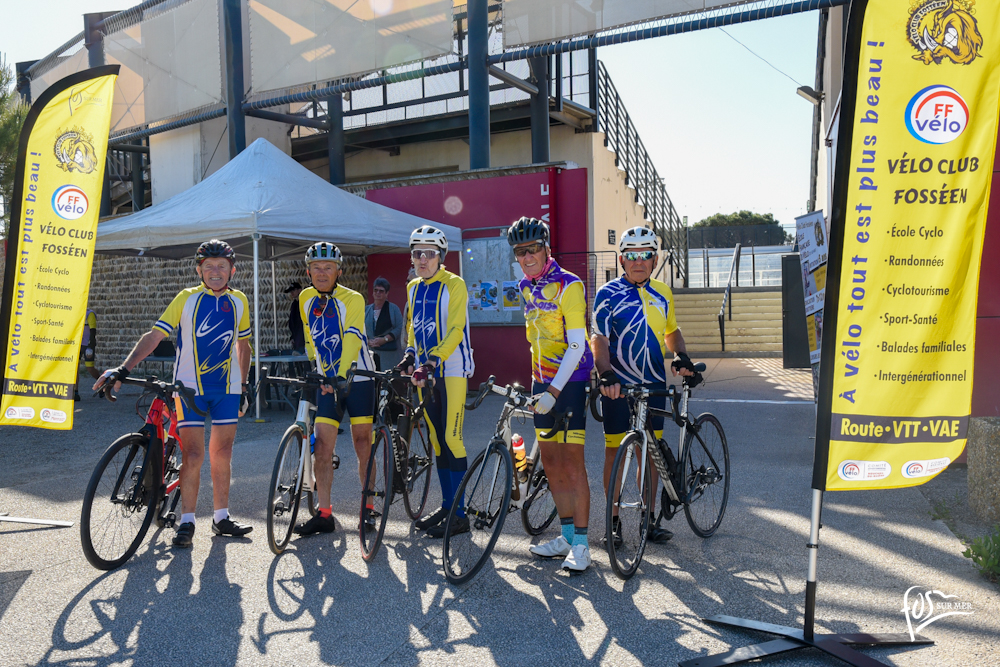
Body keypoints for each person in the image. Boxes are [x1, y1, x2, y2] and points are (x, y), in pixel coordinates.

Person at [94, 240, 254, 549]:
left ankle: (221, 518)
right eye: (209, 266)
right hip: (189, 387)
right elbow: (155, 336)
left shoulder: (240, 301)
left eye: (222, 266)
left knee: (222, 453)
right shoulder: (186, 298)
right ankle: (187, 521)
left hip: (227, 388)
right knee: (193, 455)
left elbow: (243, 345)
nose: (216, 271)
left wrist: (244, 386)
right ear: (199, 271)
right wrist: (124, 369)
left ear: (232, 271)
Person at [591, 226, 697, 546]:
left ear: (655, 260)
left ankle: (648, 522)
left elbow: (671, 331)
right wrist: (605, 374)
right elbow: (599, 339)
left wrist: (681, 355)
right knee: (615, 453)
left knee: (650, 455)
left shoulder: (663, 293)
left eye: (646, 255)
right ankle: (613, 523)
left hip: (653, 384)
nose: (639, 261)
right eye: (632, 255)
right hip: (618, 386)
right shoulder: (607, 293)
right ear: (622, 260)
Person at [508, 217, 595, 573]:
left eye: (533, 249)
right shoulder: (525, 287)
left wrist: (554, 391)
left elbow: (577, 345)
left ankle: (583, 545)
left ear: (546, 248)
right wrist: (538, 386)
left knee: (572, 464)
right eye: (520, 251)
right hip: (541, 382)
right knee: (552, 463)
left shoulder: (569, 285)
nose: (527, 257)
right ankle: (567, 536)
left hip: (570, 381)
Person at [293, 242, 378, 536]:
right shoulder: (305, 298)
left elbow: (352, 338)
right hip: (327, 382)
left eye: (328, 267)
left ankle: (368, 508)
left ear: (338, 271)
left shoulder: (352, 299)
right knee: (322, 447)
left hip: (359, 380)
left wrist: (339, 377)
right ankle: (324, 513)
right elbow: (309, 336)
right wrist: (315, 367)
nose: (322, 272)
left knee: (363, 444)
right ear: (308, 272)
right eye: (316, 267)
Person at [396, 225, 475, 538]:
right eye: (417, 253)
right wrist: (410, 355)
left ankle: (460, 514)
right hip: (425, 372)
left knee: (452, 439)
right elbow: (414, 327)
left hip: (451, 369)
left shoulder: (455, 284)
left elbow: (456, 329)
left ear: (441, 256)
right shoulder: (413, 287)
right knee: (436, 439)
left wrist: (432, 361)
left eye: (429, 253)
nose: (423, 259)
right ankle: (447, 507)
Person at [365, 277, 404, 371]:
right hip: (370, 353)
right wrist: (367, 341)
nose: (378, 293)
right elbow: (360, 328)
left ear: (387, 293)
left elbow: (400, 327)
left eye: (381, 291)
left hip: (389, 354)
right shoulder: (366, 310)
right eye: (376, 290)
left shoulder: (394, 309)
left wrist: (385, 339)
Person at [76, 306, 99, 401]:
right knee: (75, 369)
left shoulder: (90, 314)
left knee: (89, 368)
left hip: (87, 345)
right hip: (77, 345)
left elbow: (93, 330)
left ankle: (103, 384)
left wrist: (91, 344)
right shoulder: (74, 313)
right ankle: (75, 392)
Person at [285, 281, 305, 352]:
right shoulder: (294, 304)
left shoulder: (304, 303)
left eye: (293, 290)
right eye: (291, 291)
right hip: (296, 338)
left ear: (300, 290)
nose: (292, 293)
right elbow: (293, 322)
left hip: (304, 338)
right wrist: (293, 336)